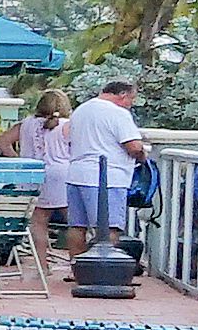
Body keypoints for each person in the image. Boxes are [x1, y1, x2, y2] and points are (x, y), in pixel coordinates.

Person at [62, 75, 148, 254]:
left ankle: (77, 264)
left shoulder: (81, 110)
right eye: (131, 99)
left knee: (77, 227)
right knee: (109, 230)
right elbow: (133, 146)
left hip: (76, 174)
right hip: (108, 179)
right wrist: (142, 156)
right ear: (123, 95)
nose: (130, 104)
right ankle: (104, 264)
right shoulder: (118, 113)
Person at [15, 96, 71, 271]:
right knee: (73, 222)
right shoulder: (67, 125)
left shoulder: (26, 124)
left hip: (31, 173)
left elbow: (2, 142)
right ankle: (77, 265)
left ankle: (42, 266)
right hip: (61, 175)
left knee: (38, 222)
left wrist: (20, 159)